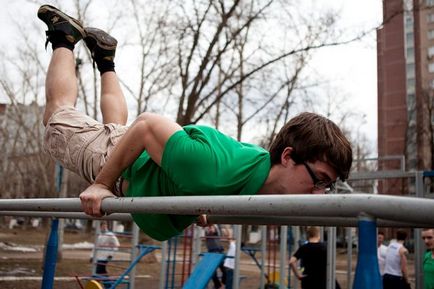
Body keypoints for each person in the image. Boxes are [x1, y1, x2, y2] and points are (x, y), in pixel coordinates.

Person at [37, 5, 353, 241]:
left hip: (132, 155)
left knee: (116, 127)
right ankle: (65, 36)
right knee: (57, 117)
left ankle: (105, 59)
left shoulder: (246, 176)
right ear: (287, 157)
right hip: (114, 160)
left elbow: (209, 180)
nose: (319, 193)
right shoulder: (209, 171)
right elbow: (147, 126)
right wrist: (103, 184)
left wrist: (196, 204)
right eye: (320, 179)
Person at [205, 224, 226, 289]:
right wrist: (209, 227)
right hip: (211, 253)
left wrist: (213, 226)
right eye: (209, 227)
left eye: (211, 227)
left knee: (225, 270)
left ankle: (223, 284)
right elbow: (208, 230)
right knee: (213, 272)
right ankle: (218, 285)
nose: (210, 229)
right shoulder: (207, 232)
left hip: (219, 252)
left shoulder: (216, 232)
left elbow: (214, 229)